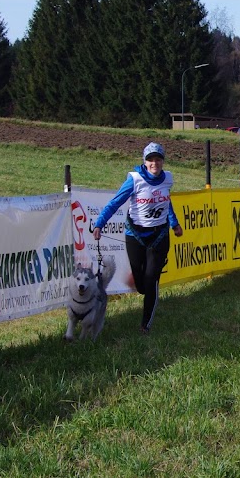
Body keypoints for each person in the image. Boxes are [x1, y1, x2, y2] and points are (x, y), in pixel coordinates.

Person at [92, 142, 183, 334]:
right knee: (141, 285)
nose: (154, 163)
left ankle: (145, 325)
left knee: (152, 279)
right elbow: (115, 202)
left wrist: (174, 224)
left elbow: (167, 203)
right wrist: (100, 223)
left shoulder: (168, 179)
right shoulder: (135, 179)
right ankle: (144, 284)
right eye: (150, 159)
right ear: (145, 161)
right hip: (135, 236)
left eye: (158, 159)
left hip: (159, 236)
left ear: (163, 161)